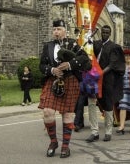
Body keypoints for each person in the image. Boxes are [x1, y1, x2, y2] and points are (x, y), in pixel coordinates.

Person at [39, 19, 91, 158]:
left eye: (59, 29)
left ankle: (65, 147)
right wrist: (51, 70)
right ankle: (53, 142)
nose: (56, 32)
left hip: (70, 81)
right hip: (53, 80)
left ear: (65, 31)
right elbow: (42, 66)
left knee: (67, 115)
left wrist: (69, 64)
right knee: (47, 112)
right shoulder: (48, 46)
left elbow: (86, 61)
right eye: (54, 29)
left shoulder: (73, 43)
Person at [85, 25, 125, 143]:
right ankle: (94, 131)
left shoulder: (114, 47)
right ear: (101, 32)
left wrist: (101, 73)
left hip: (107, 79)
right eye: (103, 32)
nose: (105, 34)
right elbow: (88, 54)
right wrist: (87, 40)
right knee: (91, 102)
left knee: (108, 105)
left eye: (107, 32)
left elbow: (112, 64)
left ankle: (108, 131)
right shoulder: (95, 44)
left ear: (110, 33)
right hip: (93, 78)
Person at [115, 49, 130, 134]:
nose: (127, 57)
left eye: (129, 56)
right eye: (125, 56)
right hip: (123, 90)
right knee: (123, 106)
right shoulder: (121, 67)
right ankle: (122, 126)